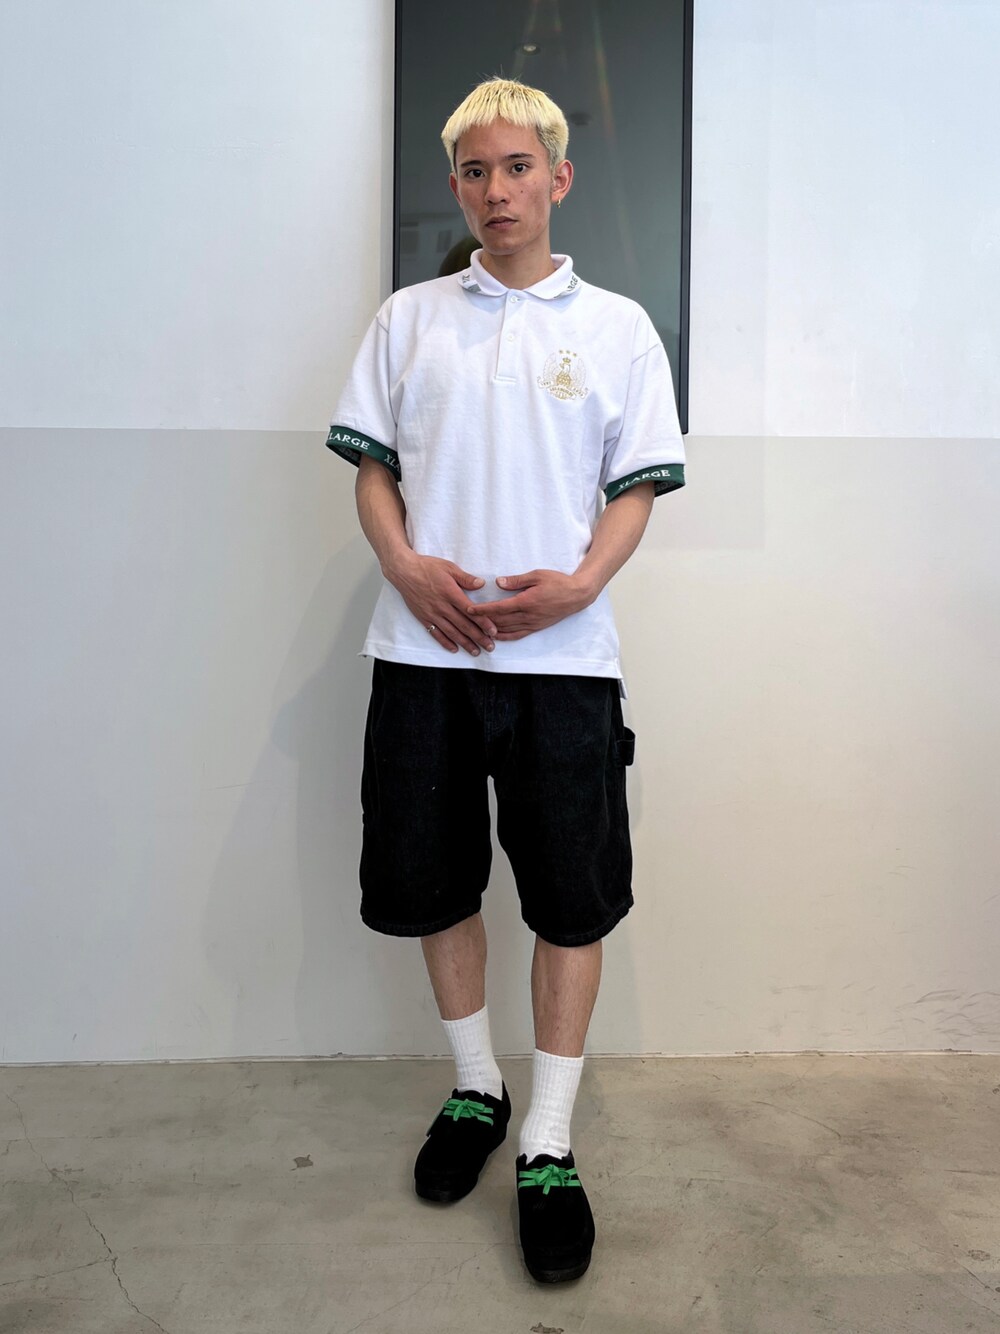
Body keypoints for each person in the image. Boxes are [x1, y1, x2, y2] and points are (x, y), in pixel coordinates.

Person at [326, 76, 685, 1284]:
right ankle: (477, 1085)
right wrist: (403, 565)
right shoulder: (408, 318)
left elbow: (635, 486)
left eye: (517, 166)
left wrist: (580, 585)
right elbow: (372, 470)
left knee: (570, 898)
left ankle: (547, 1138)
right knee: (432, 880)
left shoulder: (618, 327)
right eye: (475, 171)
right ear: (457, 186)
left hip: (564, 665)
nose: (496, 189)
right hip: (421, 654)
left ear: (557, 177)